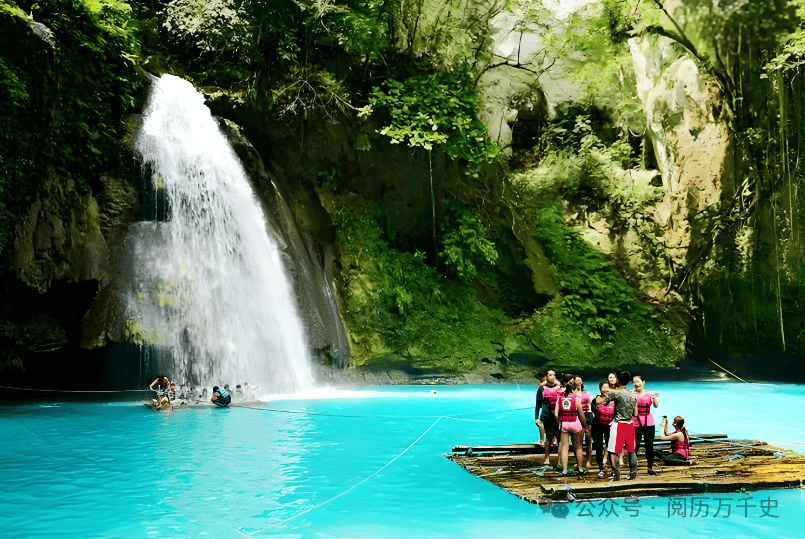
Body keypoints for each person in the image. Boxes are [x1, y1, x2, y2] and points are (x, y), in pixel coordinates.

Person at [604, 371, 638, 481]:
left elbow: (604, 402)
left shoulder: (616, 393)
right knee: (631, 450)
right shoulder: (633, 396)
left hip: (619, 424)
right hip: (630, 424)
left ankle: (616, 475)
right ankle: (632, 475)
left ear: (618, 380)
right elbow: (635, 414)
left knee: (614, 451)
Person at [555, 377, 588, 476]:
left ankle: (564, 470)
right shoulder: (577, 399)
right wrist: (585, 426)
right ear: (573, 390)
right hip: (575, 423)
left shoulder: (559, 399)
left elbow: (556, 414)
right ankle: (581, 468)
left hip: (564, 424)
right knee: (578, 447)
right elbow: (581, 414)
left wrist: (560, 423)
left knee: (564, 447)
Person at [632, 375, 659, 475]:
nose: (636, 384)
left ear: (643, 382)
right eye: (634, 382)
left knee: (649, 445)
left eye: (638, 381)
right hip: (636, 420)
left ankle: (650, 467)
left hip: (648, 420)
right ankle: (633, 466)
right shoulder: (631, 394)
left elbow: (656, 406)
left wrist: (655, 399)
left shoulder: (650, 394)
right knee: (636, 444)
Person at [537, 370, 562, 468]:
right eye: (550, 375)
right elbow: (538, 403)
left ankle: (560, 459)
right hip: (547, 414)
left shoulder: (560, 387)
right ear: (546, 376)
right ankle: (547, 457)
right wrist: (537, 418)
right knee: (549, 437)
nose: (553, 377)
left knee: (560, 437)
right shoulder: (542, 388)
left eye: (554, 375)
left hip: (557, 413)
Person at [593, 381, 615, 478]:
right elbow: (592, 410)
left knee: (610, 447)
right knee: (598, 447)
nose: (606, 390)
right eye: (604, 387)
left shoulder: (614, 400)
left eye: (607, 387)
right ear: (600, 389)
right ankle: (601, 469)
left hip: (609, 426)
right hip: (597, 425)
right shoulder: (595, 400)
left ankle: (613, 469)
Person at [574, 376, 595, 469]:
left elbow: (590, 403)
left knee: (588, 439)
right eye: (577, 380)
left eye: (580, 380)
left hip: (587, 415)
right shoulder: (572, 394)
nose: (579, 382)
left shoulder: (586, 393)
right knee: (578, 441)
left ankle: (589, 460)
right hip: (577, 416)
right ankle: (579, 460)